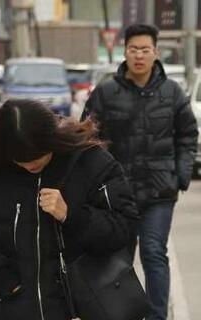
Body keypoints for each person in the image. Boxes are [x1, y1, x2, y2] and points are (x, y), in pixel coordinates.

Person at [0, 99, 139, 320]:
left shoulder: (90, 162)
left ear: (52, 140)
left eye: (38, 156)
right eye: (20, 160)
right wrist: (3, 279)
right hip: (14, 307)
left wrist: (71, 215)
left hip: (84, 305)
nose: (30, 164)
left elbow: (124, 226)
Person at [81, 24, 198, 320]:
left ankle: (158, 316)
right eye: (133, 49)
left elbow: (187, 135)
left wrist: (180, 176)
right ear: (125, 52)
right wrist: (98, 183)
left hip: (160, 192)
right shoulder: (107, 92)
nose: (139, 55)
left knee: (154, 254)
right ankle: (123, 314)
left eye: (145, 49)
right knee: (118, 260)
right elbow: (87, 137)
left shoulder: (172, 93)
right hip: (119, 196)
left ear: (155, 52)